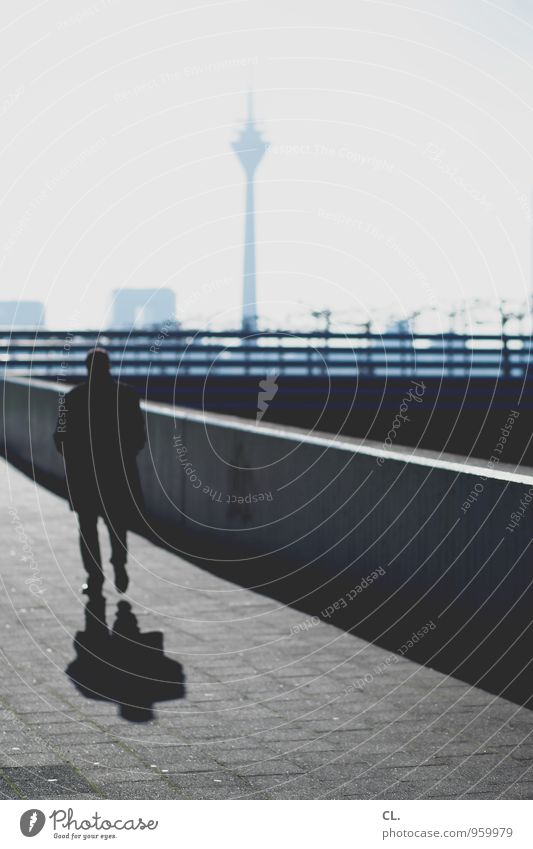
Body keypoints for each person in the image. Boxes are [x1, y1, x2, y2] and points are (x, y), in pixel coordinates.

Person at [54, 348, 146, 596]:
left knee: (87, 527)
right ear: (108, 367)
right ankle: (119, 564)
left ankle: (94, 576)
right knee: (117, 523)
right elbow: (138, 435)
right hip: (116, 473)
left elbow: (59, 438)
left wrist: (76, 458)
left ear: (87, 368)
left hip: (83, 475)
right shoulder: (126, 396)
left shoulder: (71, 399)